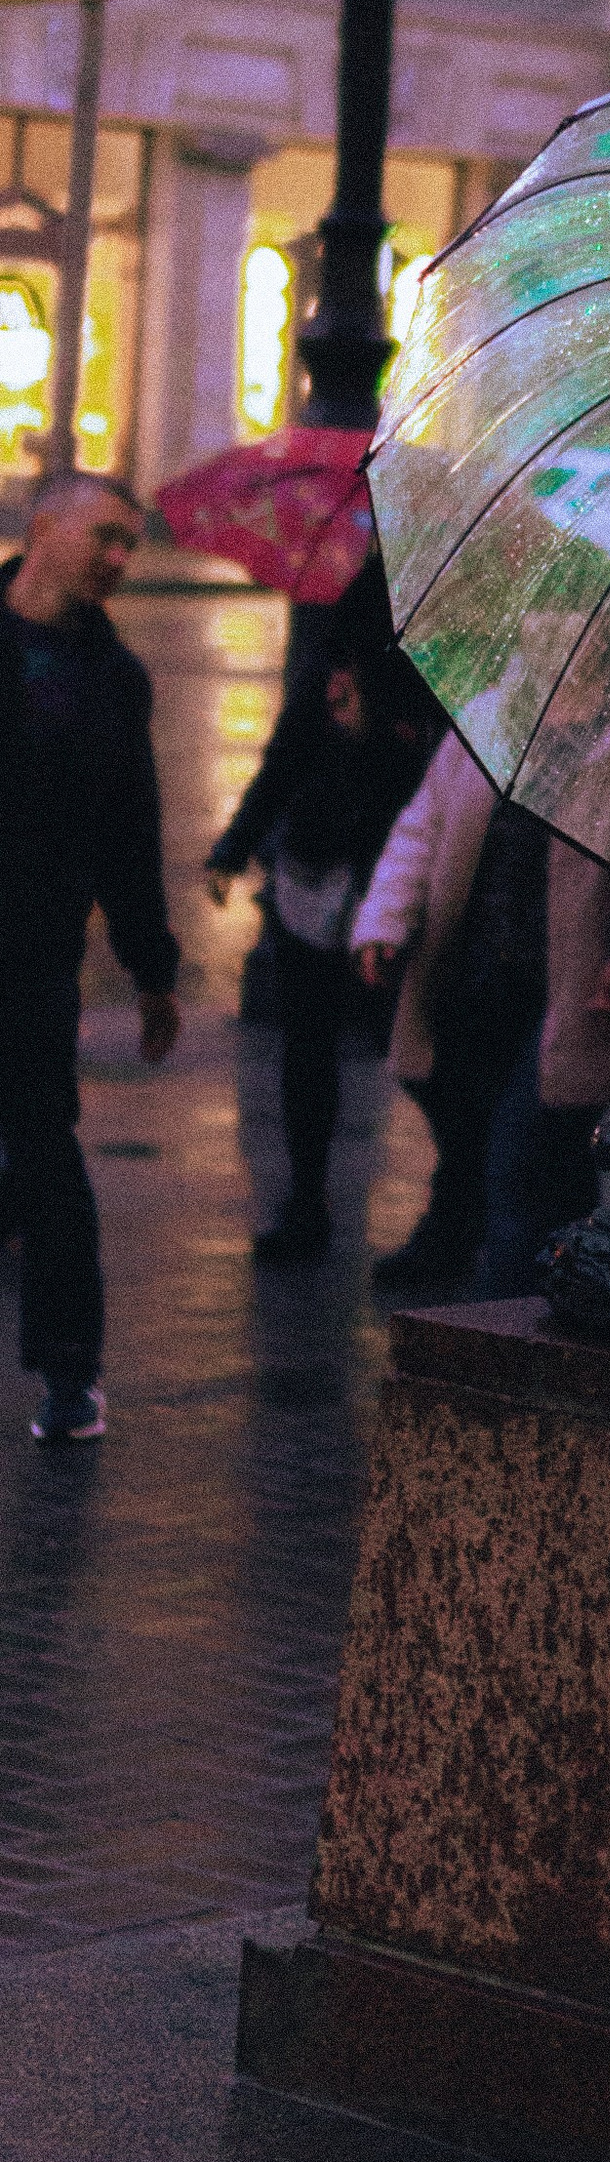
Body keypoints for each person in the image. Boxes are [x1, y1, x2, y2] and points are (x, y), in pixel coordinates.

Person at [0, 471, 182, 1444]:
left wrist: (152, 967)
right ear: (45, 528)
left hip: (32, 959)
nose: (119, 560)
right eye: (106, 537)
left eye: (131, 545)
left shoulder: (117, 680)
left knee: (45, 1153)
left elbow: (131, 833)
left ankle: (69, 1371)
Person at [354, 731, 610, 1295]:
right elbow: (424, 825)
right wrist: (384, 921)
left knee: (527, 1151)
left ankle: (510, 1307)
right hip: (475, 970)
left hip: (568, 987)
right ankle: (464, 1232)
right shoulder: (490, 719)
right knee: (468, 1120)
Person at [208, 628, 436, 1262]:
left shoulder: (422, 676)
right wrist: (235, 844)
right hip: (310, 883)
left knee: (416, 1051)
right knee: (307, 1049)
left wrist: (369, 730)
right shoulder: (327, 667)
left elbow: (423, 794)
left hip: (387, 889)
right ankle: (306, 1199)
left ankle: (455, 1199)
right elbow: (284, 761)